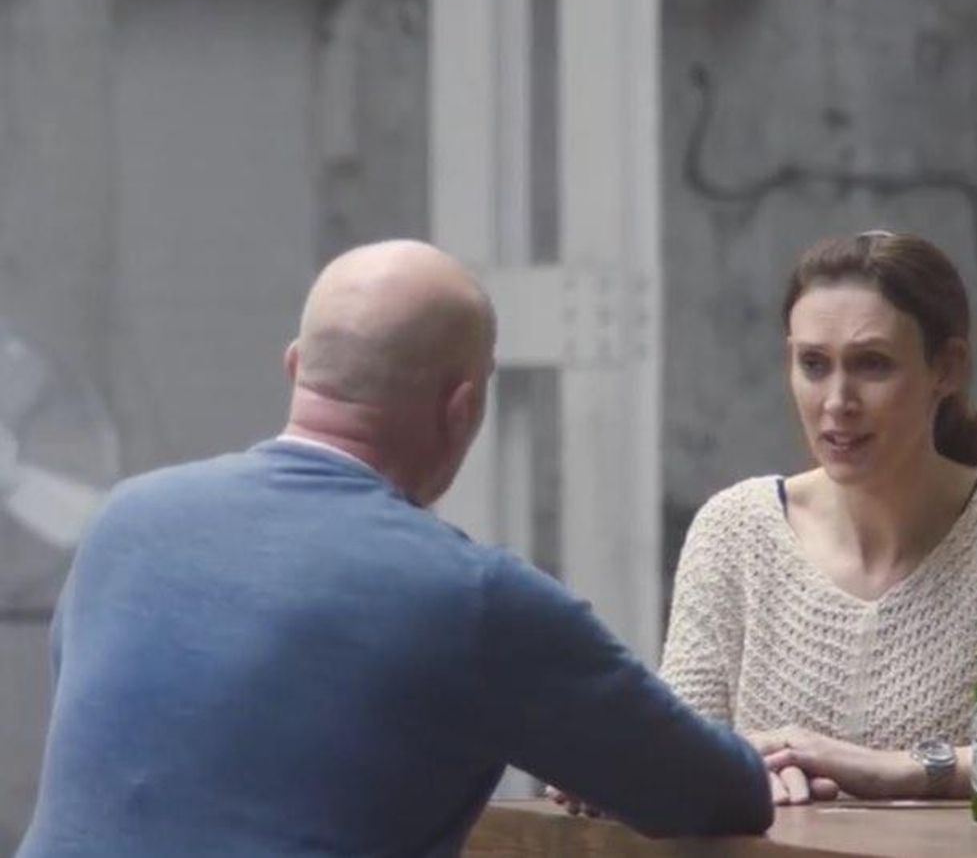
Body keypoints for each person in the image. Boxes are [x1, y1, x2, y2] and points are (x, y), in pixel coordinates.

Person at [18, 240, 773, 858]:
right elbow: (715, 794)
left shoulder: (123, 521)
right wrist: (762, 750)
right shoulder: (474, 602)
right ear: (463, 407)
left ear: (295, 366)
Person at [660, 231, 977, 805]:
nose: (837, 401)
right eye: (813, 364)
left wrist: (907, 770)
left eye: (873, 365)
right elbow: (676, 755)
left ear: (947, 368)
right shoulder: (734, 530)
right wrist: (676, 767)